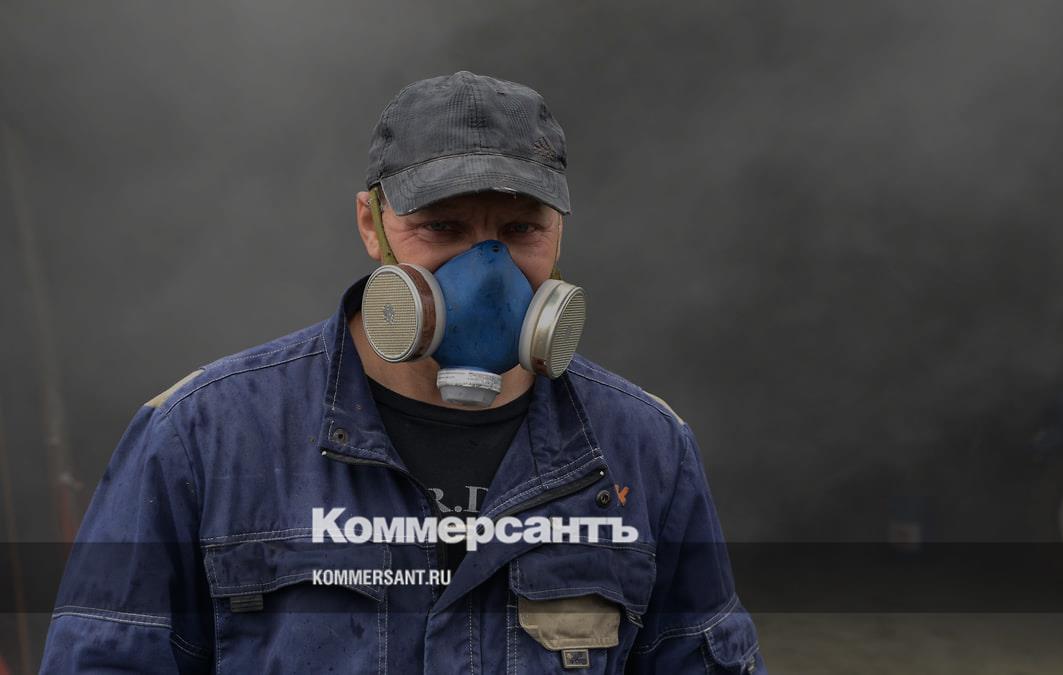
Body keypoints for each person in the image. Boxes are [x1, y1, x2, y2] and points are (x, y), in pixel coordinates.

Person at [40, 71, 765, 674]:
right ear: (371, 223)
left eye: (521, 229)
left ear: (559, 233)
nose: (488, 273)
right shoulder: (203, 437)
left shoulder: (645, 449)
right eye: (442, 226)